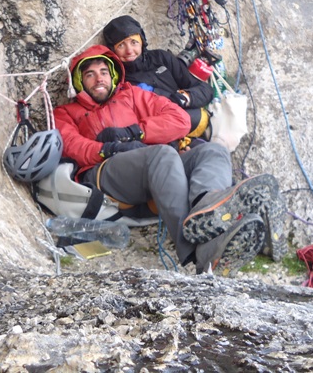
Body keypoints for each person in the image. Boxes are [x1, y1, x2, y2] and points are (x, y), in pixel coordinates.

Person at [53, 44, 281, 275]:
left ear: (112, 75)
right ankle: (196, 252)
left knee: (213, 151)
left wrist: (136, 132)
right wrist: (107, 148)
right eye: (89, 75)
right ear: (79, 82)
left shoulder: (131, 95)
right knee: (163, 154)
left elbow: (179, 119)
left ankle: (207, 206)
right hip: (106, 172)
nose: (98, 79)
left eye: (103, 72)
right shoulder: (66, 112)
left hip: (154, 164)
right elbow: (72, 145)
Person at [102, 15, 213, 144]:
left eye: (134, 42)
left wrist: (186, 97)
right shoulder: (119, 79)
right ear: (112, 50)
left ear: (142, 41)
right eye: (121, 45)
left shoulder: (161, 58)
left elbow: (205, 89)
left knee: (198, 116)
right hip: (156, 136)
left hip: (185, 121)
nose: (129, 51)